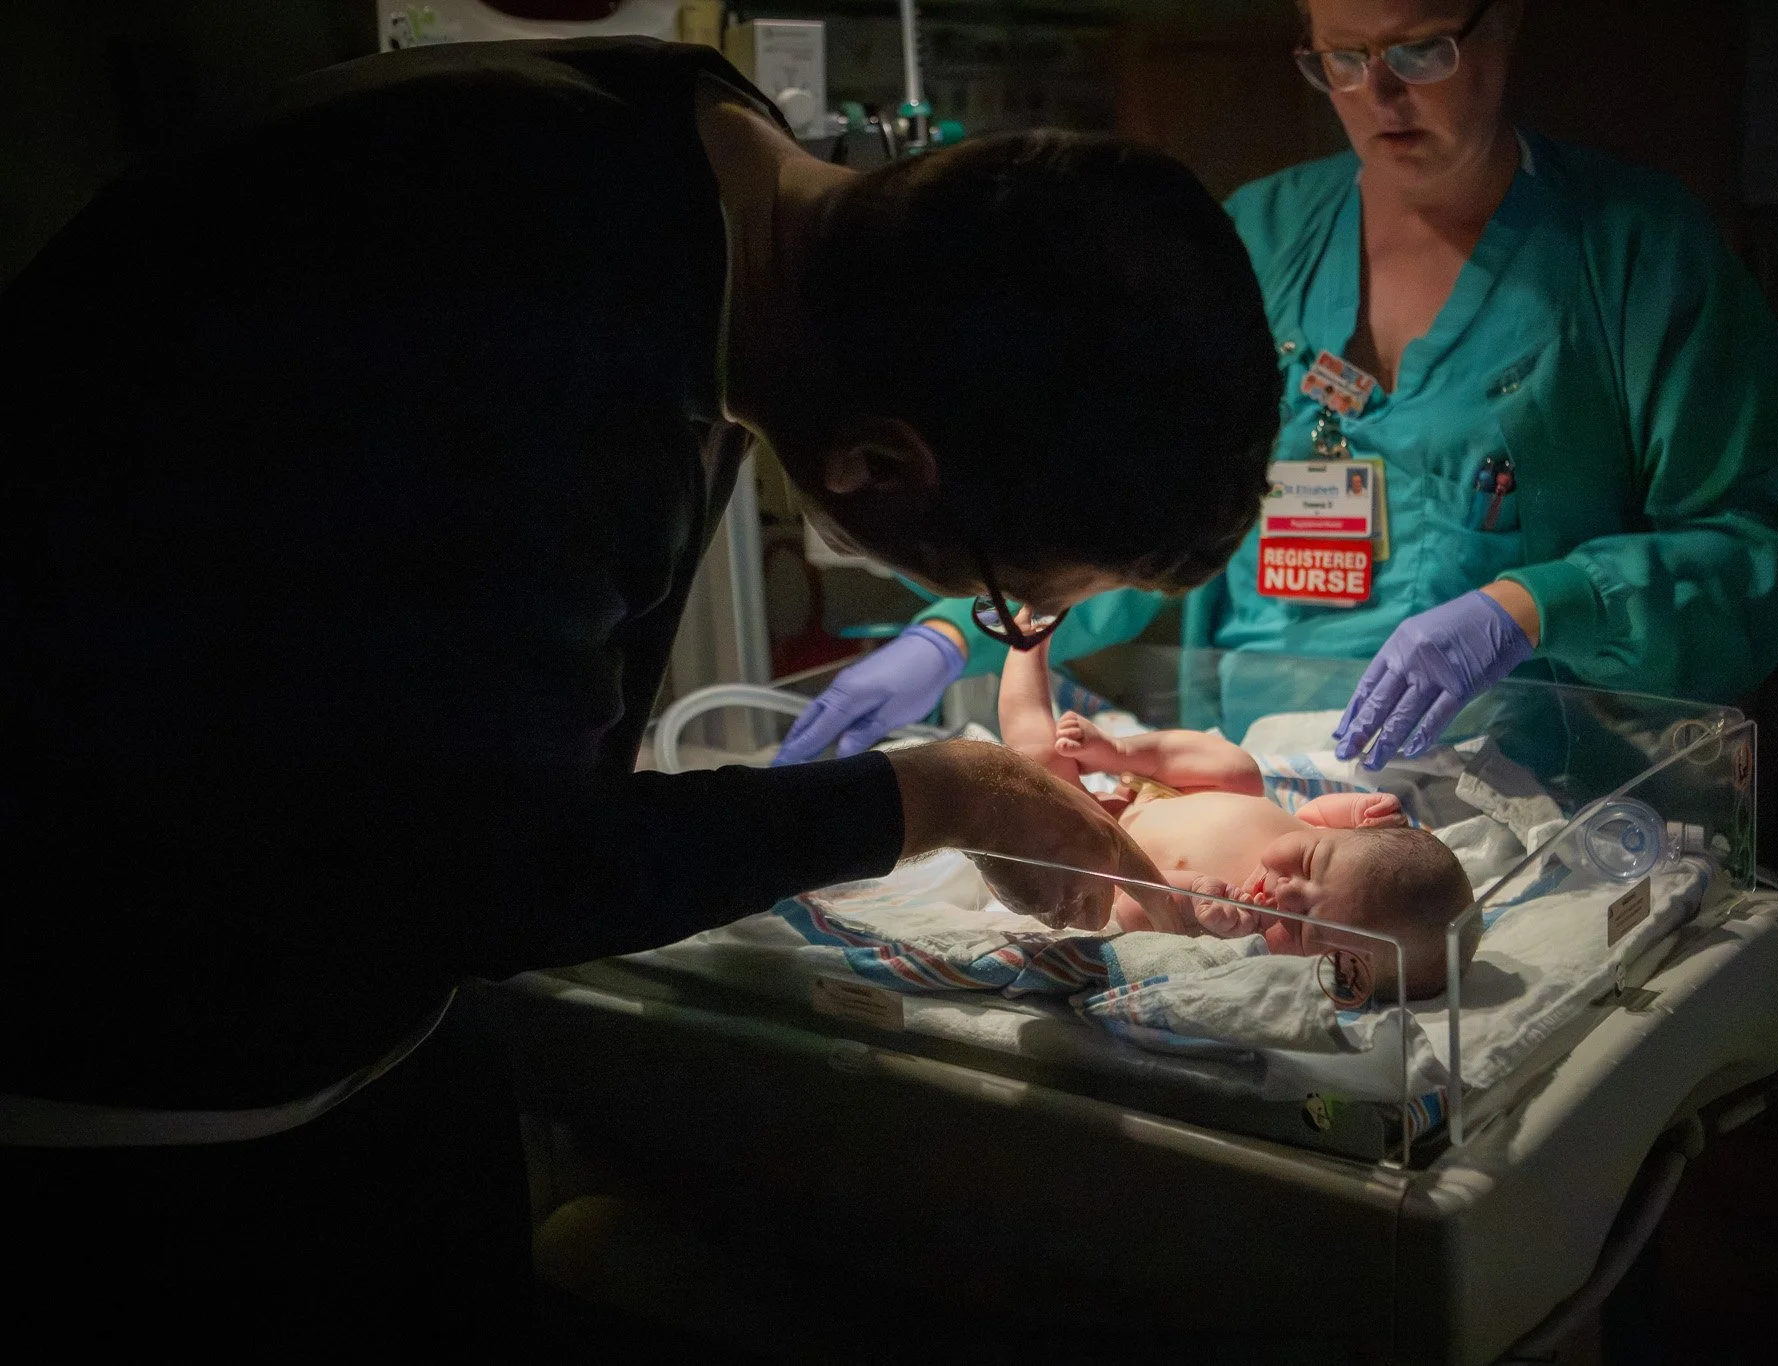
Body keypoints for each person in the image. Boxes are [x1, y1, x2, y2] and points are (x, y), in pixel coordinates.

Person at [0, 36, 1278, 1342]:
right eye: (1018, 601)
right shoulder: (533, 322)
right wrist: (932, 792)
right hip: (123, 1100)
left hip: (354, 1027)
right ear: (875, 467)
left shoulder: (706, 157)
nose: (1018, 627)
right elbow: (499, 866)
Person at [777, 0, 1778, 768]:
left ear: (1500, 25)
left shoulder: (1633, 256)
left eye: (1417, 49)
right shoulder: (1256, 239)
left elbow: (1758, 540)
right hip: (1260, 779)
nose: (1376, 95)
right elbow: (1120, 515)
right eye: (1340, 58)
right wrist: (957, 629)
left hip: (1536, 803)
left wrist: (1531, 604)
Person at [1000, 628, 1474, 996]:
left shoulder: (1234, 926)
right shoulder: (1330, 839)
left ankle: (1026, 647)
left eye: (1304, 924)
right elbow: (1314, 814)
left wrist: (1192, 898)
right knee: (1240, 771)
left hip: (1102, 839)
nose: (1286, 892)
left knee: (1040, 767)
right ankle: (1121, 751)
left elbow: (1129, 906)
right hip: (1170, 787)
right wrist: (1357, 809)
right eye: (1309, 863)